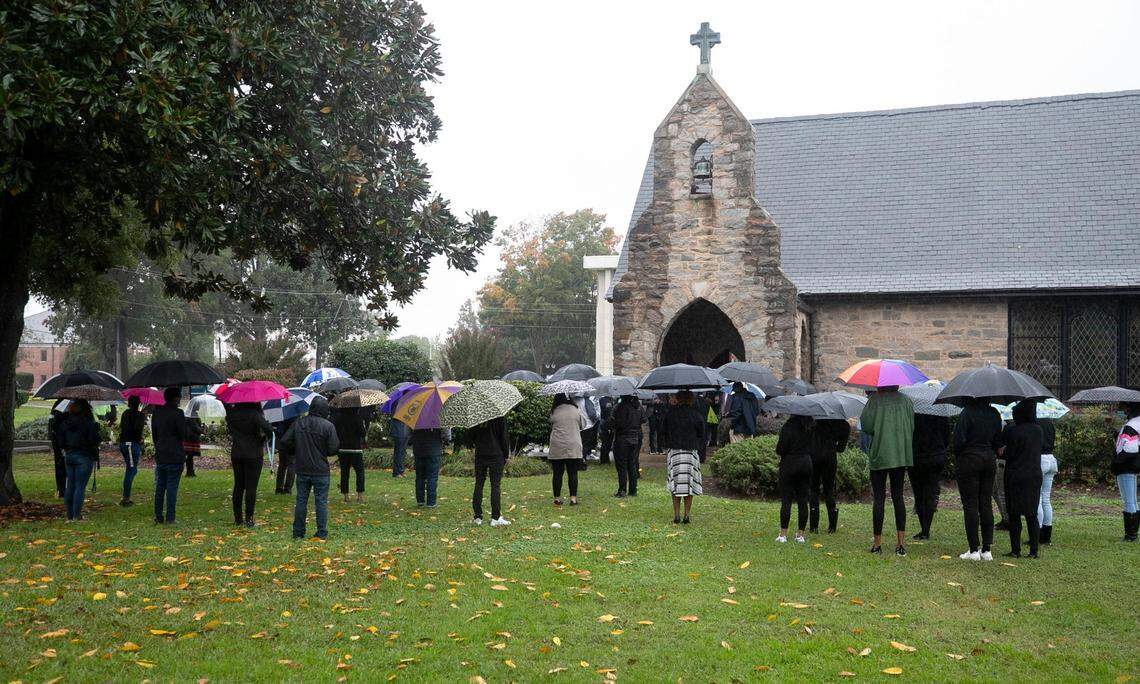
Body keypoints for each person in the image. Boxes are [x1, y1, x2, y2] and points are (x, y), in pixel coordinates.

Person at [860, 386, 914, 556]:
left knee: (879, 498)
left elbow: (866, 426)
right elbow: (911, 426)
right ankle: (901, 544)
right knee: (898, 497)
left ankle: (877, 544)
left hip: (880, 454)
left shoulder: (874, 400)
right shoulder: (906, 401)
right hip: (900, 454)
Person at [953, 397, 1004, 560]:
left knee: (970, 504)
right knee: (985, 502)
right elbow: (998, 441)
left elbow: (958, 440)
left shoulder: (967, 413)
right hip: (989, 459)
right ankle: (987, 549)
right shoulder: (995, 413)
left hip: (969, 460)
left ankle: (973, 549)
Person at [284, 395, 339, 540]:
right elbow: (333, 448)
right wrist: (322, 452)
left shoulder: (299, 423)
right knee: (321, 501)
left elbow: (285, 441)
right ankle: (321, 532)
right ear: (325, 410)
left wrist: (296, 451)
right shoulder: (328, 426)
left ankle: (298, 532)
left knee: (301, 500)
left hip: (302, 468)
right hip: (320, 470)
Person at [1000, 401, 1044, 558]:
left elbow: (1008, 454)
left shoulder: (1014, 431)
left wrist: (1003, 450)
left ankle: (1015, 550)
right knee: (1031, 514)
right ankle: (1033, 551)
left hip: (1015, 475)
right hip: (1033, 474)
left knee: (1014, 514)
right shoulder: (1038, 431)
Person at [151, 387, 196, 525]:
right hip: (175, 453)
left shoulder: (157, 413)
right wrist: (188, 425)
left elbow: (155, 434)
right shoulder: (178, 413)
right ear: (176, 398)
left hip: (161, 452)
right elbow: (184, 434)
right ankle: (170, 517)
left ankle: (158, 515)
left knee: (160, 485)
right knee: (172, 486)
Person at [659, 391, 705, 524]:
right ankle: (687, 515)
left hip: (675, 451)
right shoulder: (696, 415)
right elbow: (702, 434)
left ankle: (676, 515)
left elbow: (663, 431)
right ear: (691, 400)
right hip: (690, 452)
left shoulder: (670, 414)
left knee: (676, 484)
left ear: (677, 399)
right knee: (689, 484)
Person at [226, 401, 273, 527]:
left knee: (238, 485)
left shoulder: (231, 414)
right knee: (251, 487)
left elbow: (230, 430)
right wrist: (263, 438)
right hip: (253, 453)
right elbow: (268, 429)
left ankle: (238, 518)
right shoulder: (254, 414)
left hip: (237, 452)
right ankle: (249, 518)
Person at [56, 399, 101, 521]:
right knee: (80, 486)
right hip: (84, 456)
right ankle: (77, 515)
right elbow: (95, 440)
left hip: (69, 456)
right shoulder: (89, 424)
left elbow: (61, 442)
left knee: (70, 485)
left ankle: (69, 515)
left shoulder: (65, 424)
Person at [909, 413, 949, 540]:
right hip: (936, 456)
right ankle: (926, 528)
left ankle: (924, 528)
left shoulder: (913, 414)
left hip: (916, 457)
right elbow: (947, 436)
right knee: (930, 492)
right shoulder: (941, 414)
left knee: (919, 493)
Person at [775, 413, 814, 542]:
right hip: (806, 463)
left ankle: (783, 534)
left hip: (790, 463)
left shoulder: (788, 427)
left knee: (786, 500)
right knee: (803, 500)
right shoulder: (811, 426)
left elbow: (780, 449)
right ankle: (800, 534)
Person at [809, 417, 850, 534]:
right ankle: (832, 526)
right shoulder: (842, 424)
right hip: (830, 457)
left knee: (813, 489)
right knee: (829, 489)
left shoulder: (814, 421)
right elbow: (841, 448)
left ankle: (813, 526)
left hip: (814, 456)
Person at [469, 415, 511, 526]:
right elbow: (504, 437)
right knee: (495, 485)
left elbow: (471, 436)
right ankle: (495, 518)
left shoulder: (476, 415)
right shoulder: (499, 415)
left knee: (479, 484)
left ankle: (478, 517)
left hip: (480, 454)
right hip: (496, 454)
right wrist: (506, 454)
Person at [548, 394, 586, 505]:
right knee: (573, 473)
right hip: (573, 444)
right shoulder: (575, 410)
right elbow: (583, 424)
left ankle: (557, 498)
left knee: (557, 473)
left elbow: (550, 421)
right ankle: (573, 499)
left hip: (557, 445)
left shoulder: (554, 411)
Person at [1112, 402, 1140, 542]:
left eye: (1125, 408)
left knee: (1129, 500)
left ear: (1130, 410)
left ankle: (1131, 535)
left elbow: (1130, 447)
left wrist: (1118, 460)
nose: (1123, 411)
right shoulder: (1135, 424)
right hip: (1132, 466)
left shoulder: (1131, 426)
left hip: (1126, 466)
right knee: (1133, 500)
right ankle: (1133, 533)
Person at [332, 406, 367, 502]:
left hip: (342, 449)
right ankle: (360, 496)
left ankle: (346, 496)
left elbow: (335, 432)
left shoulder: (338, 418)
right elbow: (363, 433)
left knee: (344, 472)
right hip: (355, 449)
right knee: (359, 472)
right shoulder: (357, 417)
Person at [610, 394, 643, 498]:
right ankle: (633, 490)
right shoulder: (638, 407)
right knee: (632, 465)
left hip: (622, 439)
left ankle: (622, 490)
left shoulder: (620, 407)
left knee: (622, 466)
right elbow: (644, 419)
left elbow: (617, 423)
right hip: (634, 438)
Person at [117, 395, 147, 507]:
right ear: (138, 403)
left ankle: (126, 496)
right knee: (131, 470)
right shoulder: (139, 415)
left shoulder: (125, 413)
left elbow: (123, 427)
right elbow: (137, 429)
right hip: (131, 444)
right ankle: (125, 498)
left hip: (124, 443)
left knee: (132, 469)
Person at [410, 426, 444, 508]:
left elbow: (409, 431)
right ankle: (431, 503)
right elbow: (447, 435)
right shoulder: (439, 415)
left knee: (419, 476)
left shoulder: (415, 414)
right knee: (432, 477)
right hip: (434, 448)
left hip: (418, 448)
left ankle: (420, 501)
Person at [1037, 416, 1057, 544]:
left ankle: (1037, 533)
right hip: (1051, 458)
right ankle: (1046, 535)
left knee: (1037, 498)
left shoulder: (1035, 423)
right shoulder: (1049, 423)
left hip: (1040, 459)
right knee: (1046, 498)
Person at [47, 401, 67, 499]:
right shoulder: (79, 404)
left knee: (60, 465)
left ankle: (61, 489)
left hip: (59, 440)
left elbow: (52, 423)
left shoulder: (59, 404)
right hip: (64, 441)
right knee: (62, 465)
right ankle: (63, 489)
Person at [274, 417, 297, 495]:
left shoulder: (281, 416)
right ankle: (287, 489)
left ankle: (279, 488)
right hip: (291, 443)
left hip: (282, 442)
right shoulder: (294, 416)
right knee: (291, 465)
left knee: (282, 465)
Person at [598, 396, 615, 464]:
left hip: (608, 422)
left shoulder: (610, 400)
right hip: (605, 422)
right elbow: (606, 411)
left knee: (607, 442)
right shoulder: (603, 400)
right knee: (605, 442)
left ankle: (605, 459)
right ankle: (604, 459)